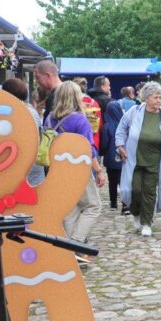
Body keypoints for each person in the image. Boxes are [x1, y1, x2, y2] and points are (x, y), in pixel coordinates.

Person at [45, 81, 107, 244]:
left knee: (71, 209)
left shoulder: (50, 119)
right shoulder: (80, 120)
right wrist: (99, 170)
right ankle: (76, 243)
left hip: (58, 170)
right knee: (93, 206)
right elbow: (89, 151)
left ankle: (69, 250)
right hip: (79, 170)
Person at [115, 83, 161, 236]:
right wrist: (120, 145)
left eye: (160, 98)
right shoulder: (134, 112)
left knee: (150, 192)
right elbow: (121, 129)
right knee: (134, 190)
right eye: (156, 97)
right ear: (146, 98)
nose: (159, 101)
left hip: (155, 161)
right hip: (135, 159)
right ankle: (136, 212)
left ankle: (146, 223)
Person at [0, 77, 45, 188]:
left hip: (14, 164)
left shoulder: (5, 113)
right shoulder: (32, 112)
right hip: (34, 164)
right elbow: (39, 137)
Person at [102, 96, 126, 210]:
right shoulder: (124, 126)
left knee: (112, 181)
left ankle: (113, 203)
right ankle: (125, 204)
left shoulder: (107, 126)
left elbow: (104, 143)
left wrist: (102, 152)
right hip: (123, 157)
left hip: (110, 159)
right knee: (123, 181)